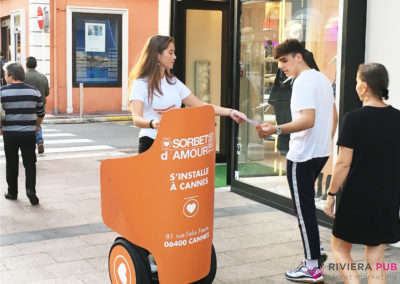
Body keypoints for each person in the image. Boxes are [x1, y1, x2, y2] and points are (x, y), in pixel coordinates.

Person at [256, 39, 335, 283]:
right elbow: (333, 114)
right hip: (319, 152)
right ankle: (316, 251)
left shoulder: (302, 82)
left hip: (302, 156)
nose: (281, 67)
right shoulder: (321, 78)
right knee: (306, 207)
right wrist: (324, 142)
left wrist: (276, 130)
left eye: (284, 61)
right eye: (279, 62)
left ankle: (312, 267)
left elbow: (307, 120)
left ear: (298, 56)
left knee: (303, 210)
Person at [324, 63, 400, 284]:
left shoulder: (353, 119)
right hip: (387, 196)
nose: (356, 86)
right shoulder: (398, 118)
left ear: (364, 87)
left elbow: (343, 164)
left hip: (357, 195)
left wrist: (331, 194)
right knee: (376, 255)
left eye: (357, 82)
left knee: (339, 247)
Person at [128, 35, 246, 154]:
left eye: (174, 53)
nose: (174, 57)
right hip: (151, 143)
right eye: (170, 53)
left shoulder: (174, 82)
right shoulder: (140, 83)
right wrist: (153, 123)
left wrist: (231, 112)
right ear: (157, 55)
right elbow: (136, 119)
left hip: (175, 145)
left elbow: (200, 105)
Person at [0, 62, 45, 205]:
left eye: (5, 73)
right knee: (30, 163)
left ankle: (12, 192)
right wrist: (37, 126)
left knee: (11, 163)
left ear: (11, 76)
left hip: (10, 134)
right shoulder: (34, 91)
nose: (4, 76)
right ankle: (31, 191)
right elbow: (41, 112)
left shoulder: (2, 92)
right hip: (28, 134)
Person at [24, 56, 49, 154]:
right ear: (36, 65)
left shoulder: (23, 77)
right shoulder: (43, 77)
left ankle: (29, 144)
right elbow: (47, 92)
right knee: (37, 123)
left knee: (26, 125)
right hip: (40, 105)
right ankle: (39, 140)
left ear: (26, 65)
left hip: (27, 105)